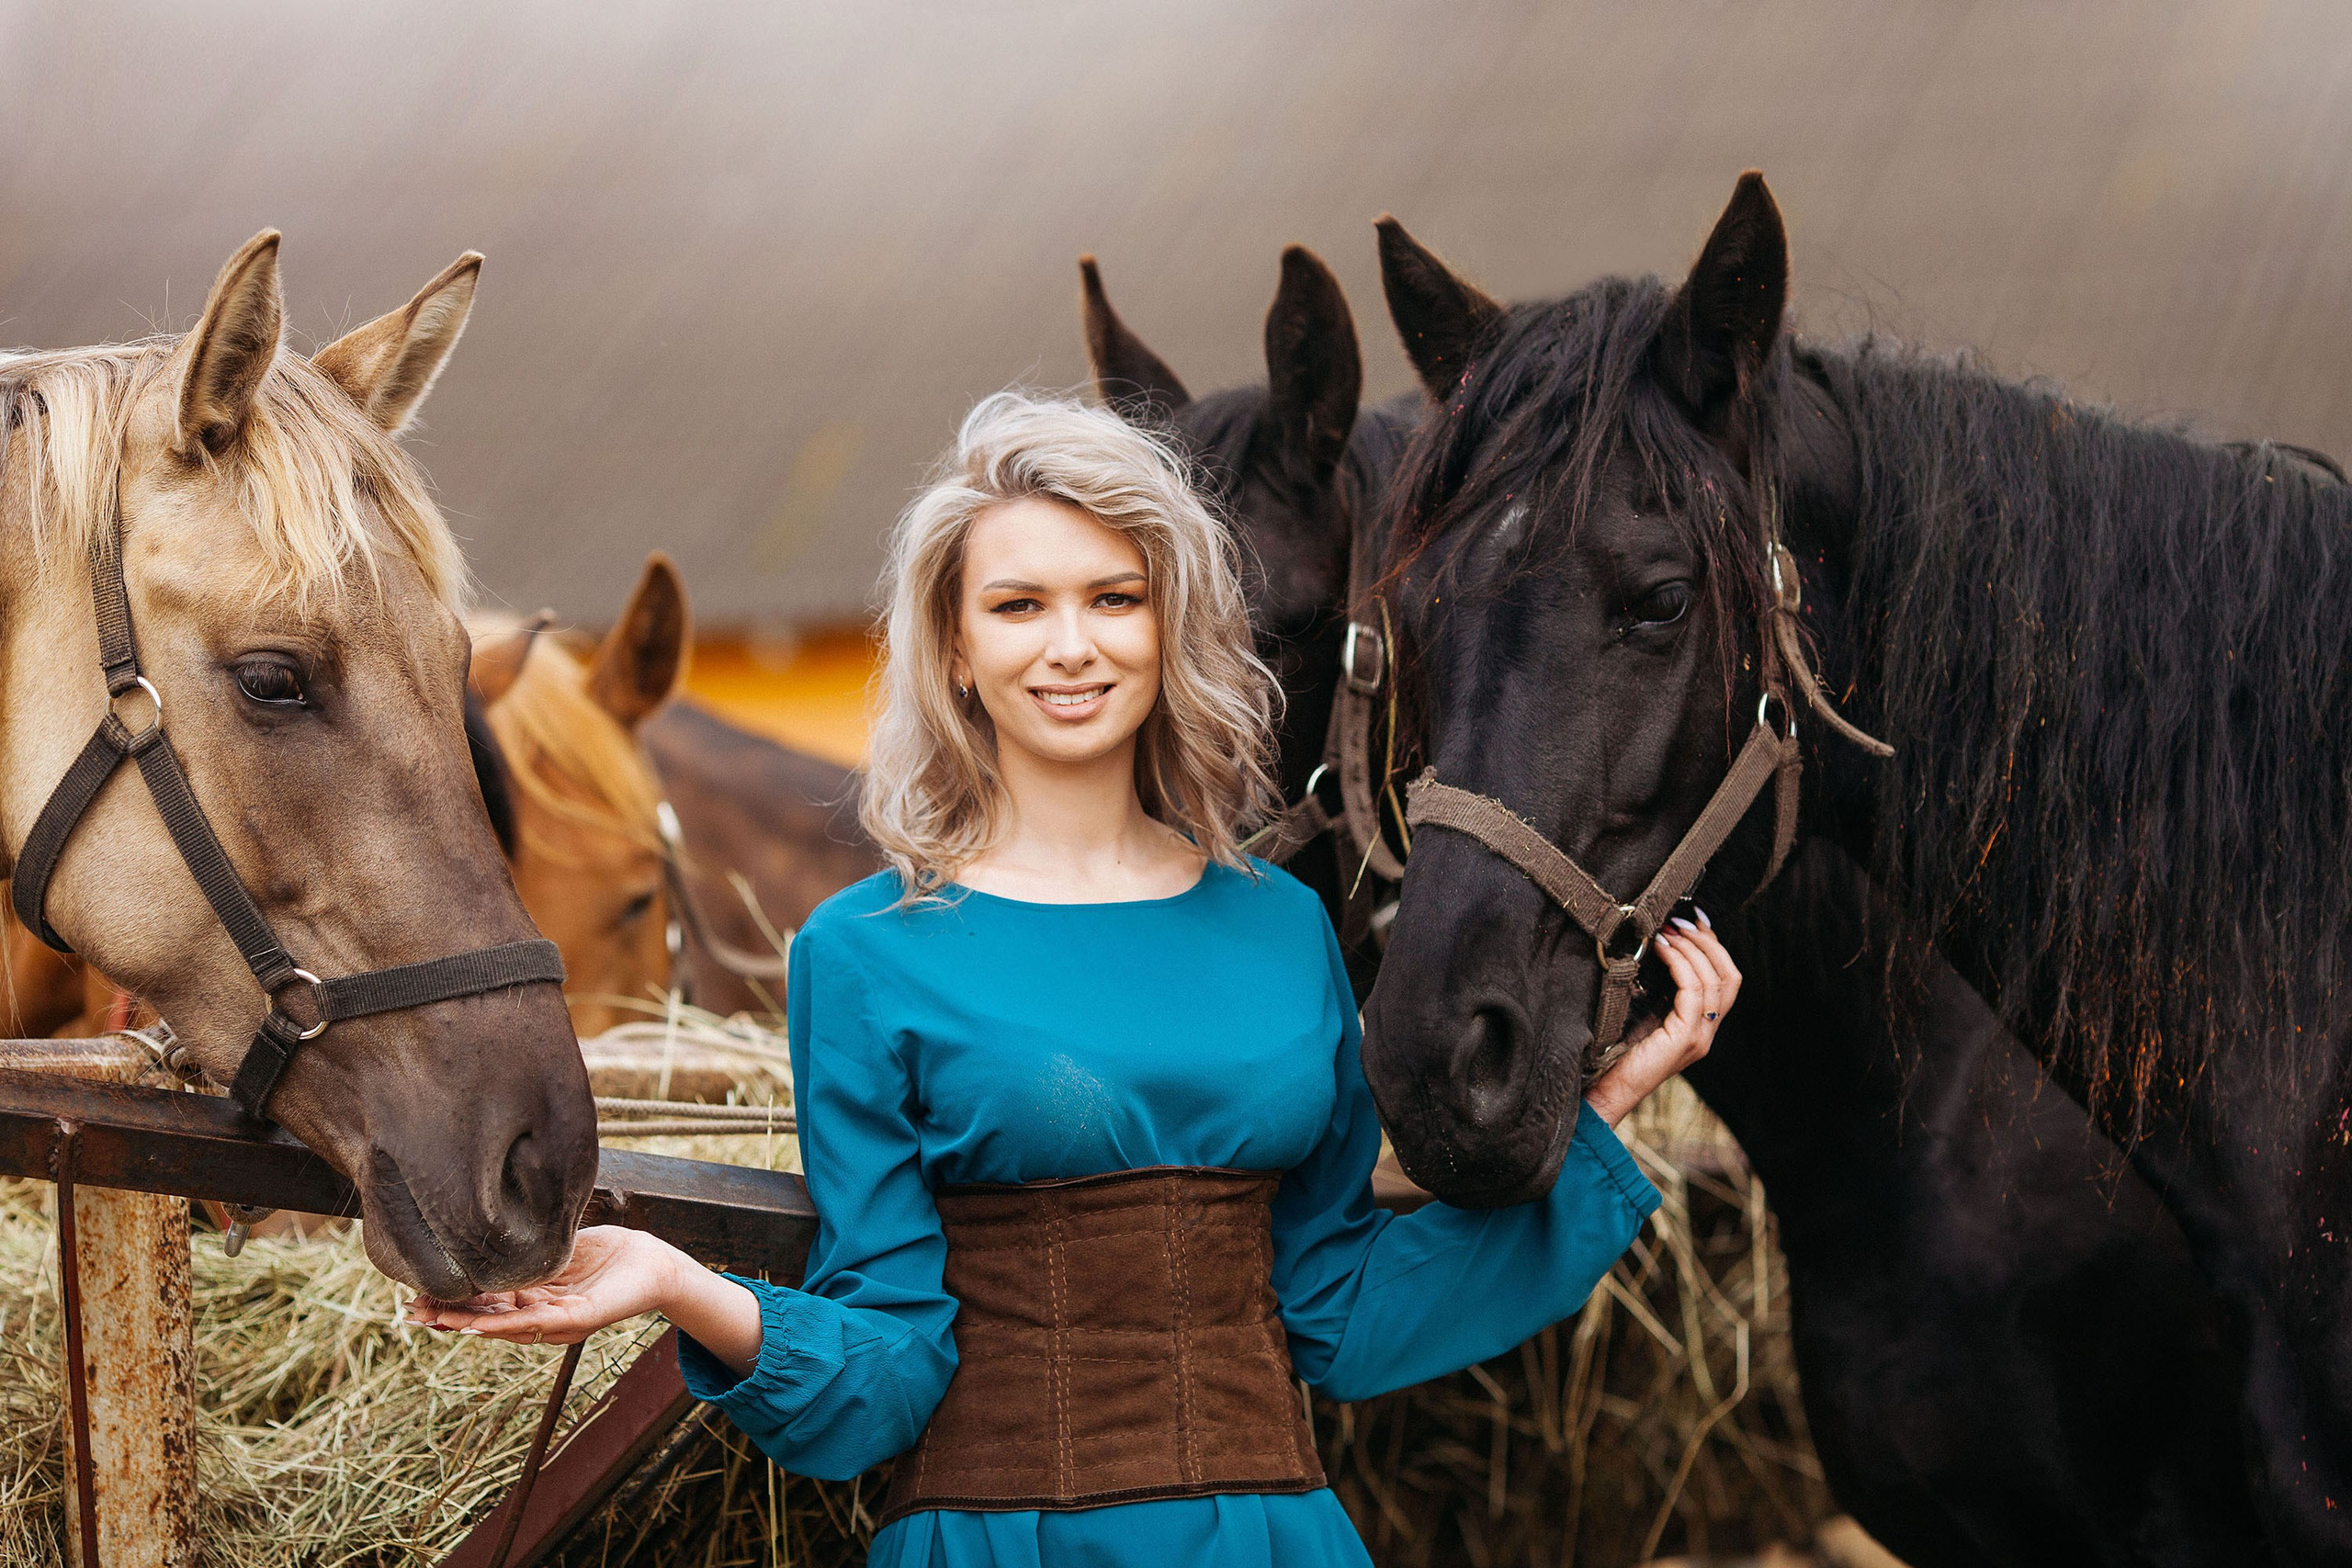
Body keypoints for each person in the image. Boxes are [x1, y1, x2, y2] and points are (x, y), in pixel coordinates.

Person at [409, 391, 1742, 1566]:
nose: (1072, 646)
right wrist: (669, 1281)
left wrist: (1605, 1114)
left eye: (1115, 598)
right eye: (1019, 605)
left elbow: (1340, 1312)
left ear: (1171, 626)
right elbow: (888, 1372)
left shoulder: (1284, 926)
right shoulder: (862, 956)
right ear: (954, 648)